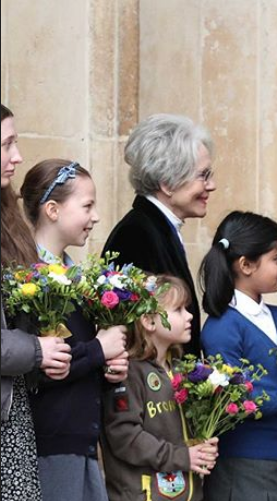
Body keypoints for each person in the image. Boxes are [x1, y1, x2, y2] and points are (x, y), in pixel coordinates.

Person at [20, 159, 130, 501]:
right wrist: (99, 349)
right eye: (87, 206)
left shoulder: (76, 276)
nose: (95, 216)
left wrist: (107, 366)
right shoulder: (27, 279)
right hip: (50, 438)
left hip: (79, 437)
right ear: (52, 210)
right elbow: (41, 366)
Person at [199, 211, 277, 501]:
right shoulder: (223, 326)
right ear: (245, 264)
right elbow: (232, 400)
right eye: (276, 259)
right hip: (244, 465)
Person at [1, 103, 72, 501]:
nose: (18, 156)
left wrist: (51, 348)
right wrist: (36, 350)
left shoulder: (9, 222)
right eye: (7, 143)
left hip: (14, 418)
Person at [103, 114, 216, 356]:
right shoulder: (136, 235)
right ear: (167, 183)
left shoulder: (155, 227)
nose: (211, 185)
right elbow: (133, 334)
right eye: (203, 175)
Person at [100, 275, 218, 501]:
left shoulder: (183, 371)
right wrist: (182, 457)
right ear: (149, 321)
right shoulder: (128, 372)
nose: (189, 316)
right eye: (179, 309)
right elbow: (125, 437)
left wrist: (202, 445)